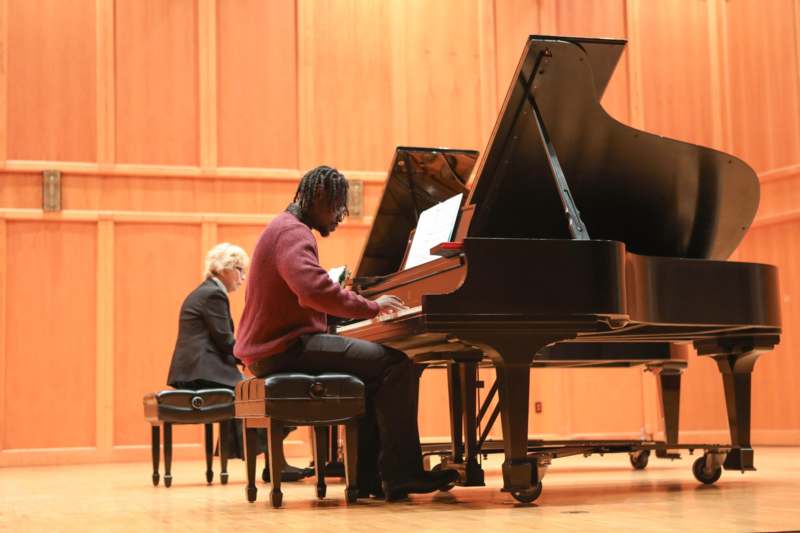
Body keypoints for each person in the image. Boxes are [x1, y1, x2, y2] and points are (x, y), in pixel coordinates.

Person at [234, 165, 458, 500]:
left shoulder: (285, 228)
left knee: (373, 374)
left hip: (275, 348)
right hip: (283, 349)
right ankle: (403, 474)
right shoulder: (293, 232)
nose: (340, 217)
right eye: (338, 207)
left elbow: (309, 295)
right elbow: (313, 290)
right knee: (397, 365)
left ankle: (368, 478)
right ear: (319, 197)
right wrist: (372, 306)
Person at [166, 243, 311, 480]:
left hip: (198, 369)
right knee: (263, 393)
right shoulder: (213, 294)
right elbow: (226, 341)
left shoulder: (207, 291)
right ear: (225, 268)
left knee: (259, 392)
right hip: (202, 370)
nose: (243, 277)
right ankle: (277, 465)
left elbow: (224, 342)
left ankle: (275, 463)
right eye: (240, 270)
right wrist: (255, 355)